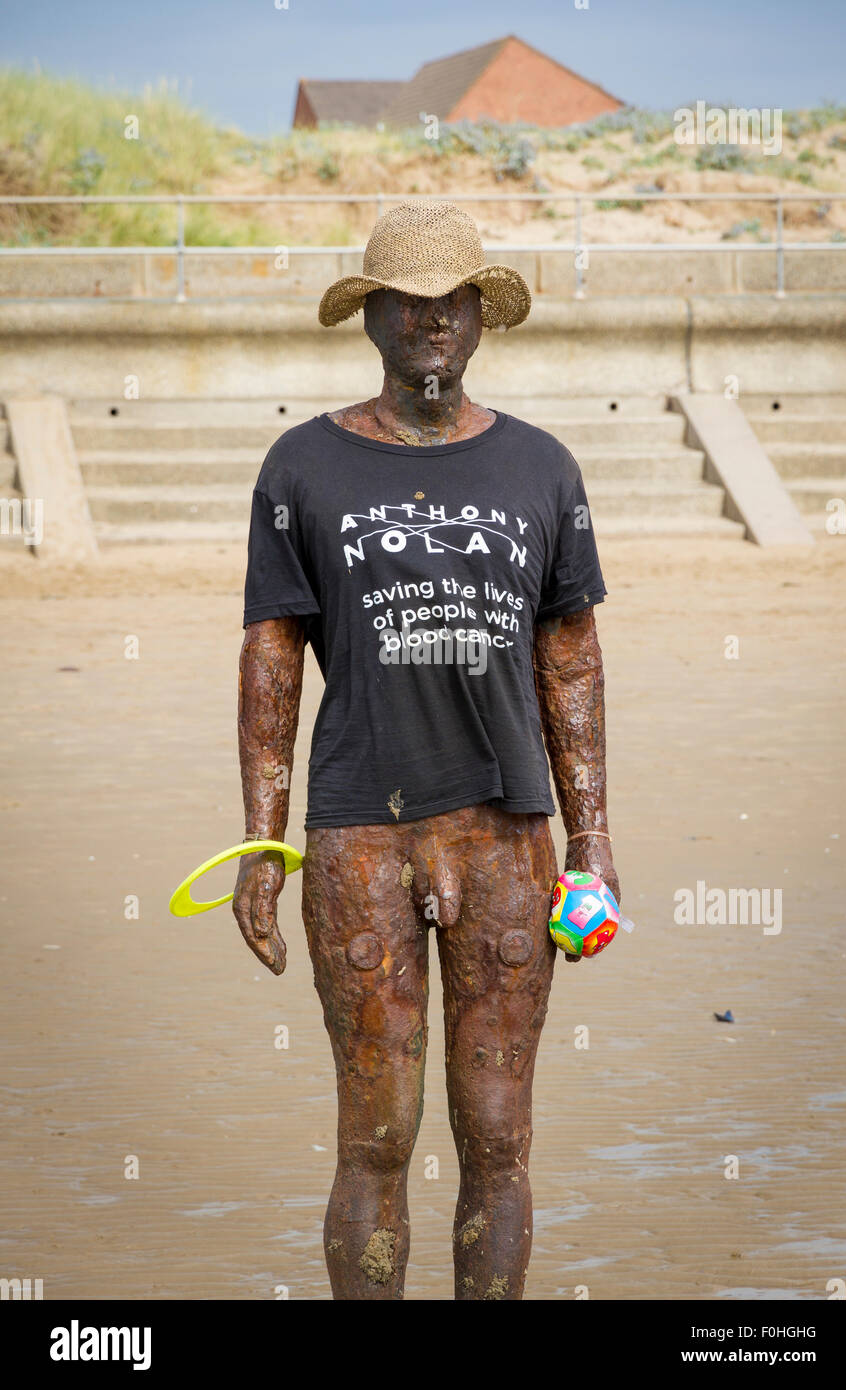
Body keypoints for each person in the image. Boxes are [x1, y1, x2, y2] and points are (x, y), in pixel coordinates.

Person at [233, 201, 619, 1300]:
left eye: (448, 298)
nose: (429, 319)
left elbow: (572, 664)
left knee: (497, 1137)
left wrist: (590, 847)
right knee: (377, 1134)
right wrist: (261, 847)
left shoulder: (540, 467)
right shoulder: (300, 465)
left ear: (477, 314)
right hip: (358, 832)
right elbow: (270, 666)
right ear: (371, 318)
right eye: (405, 299)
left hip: (507, 836)